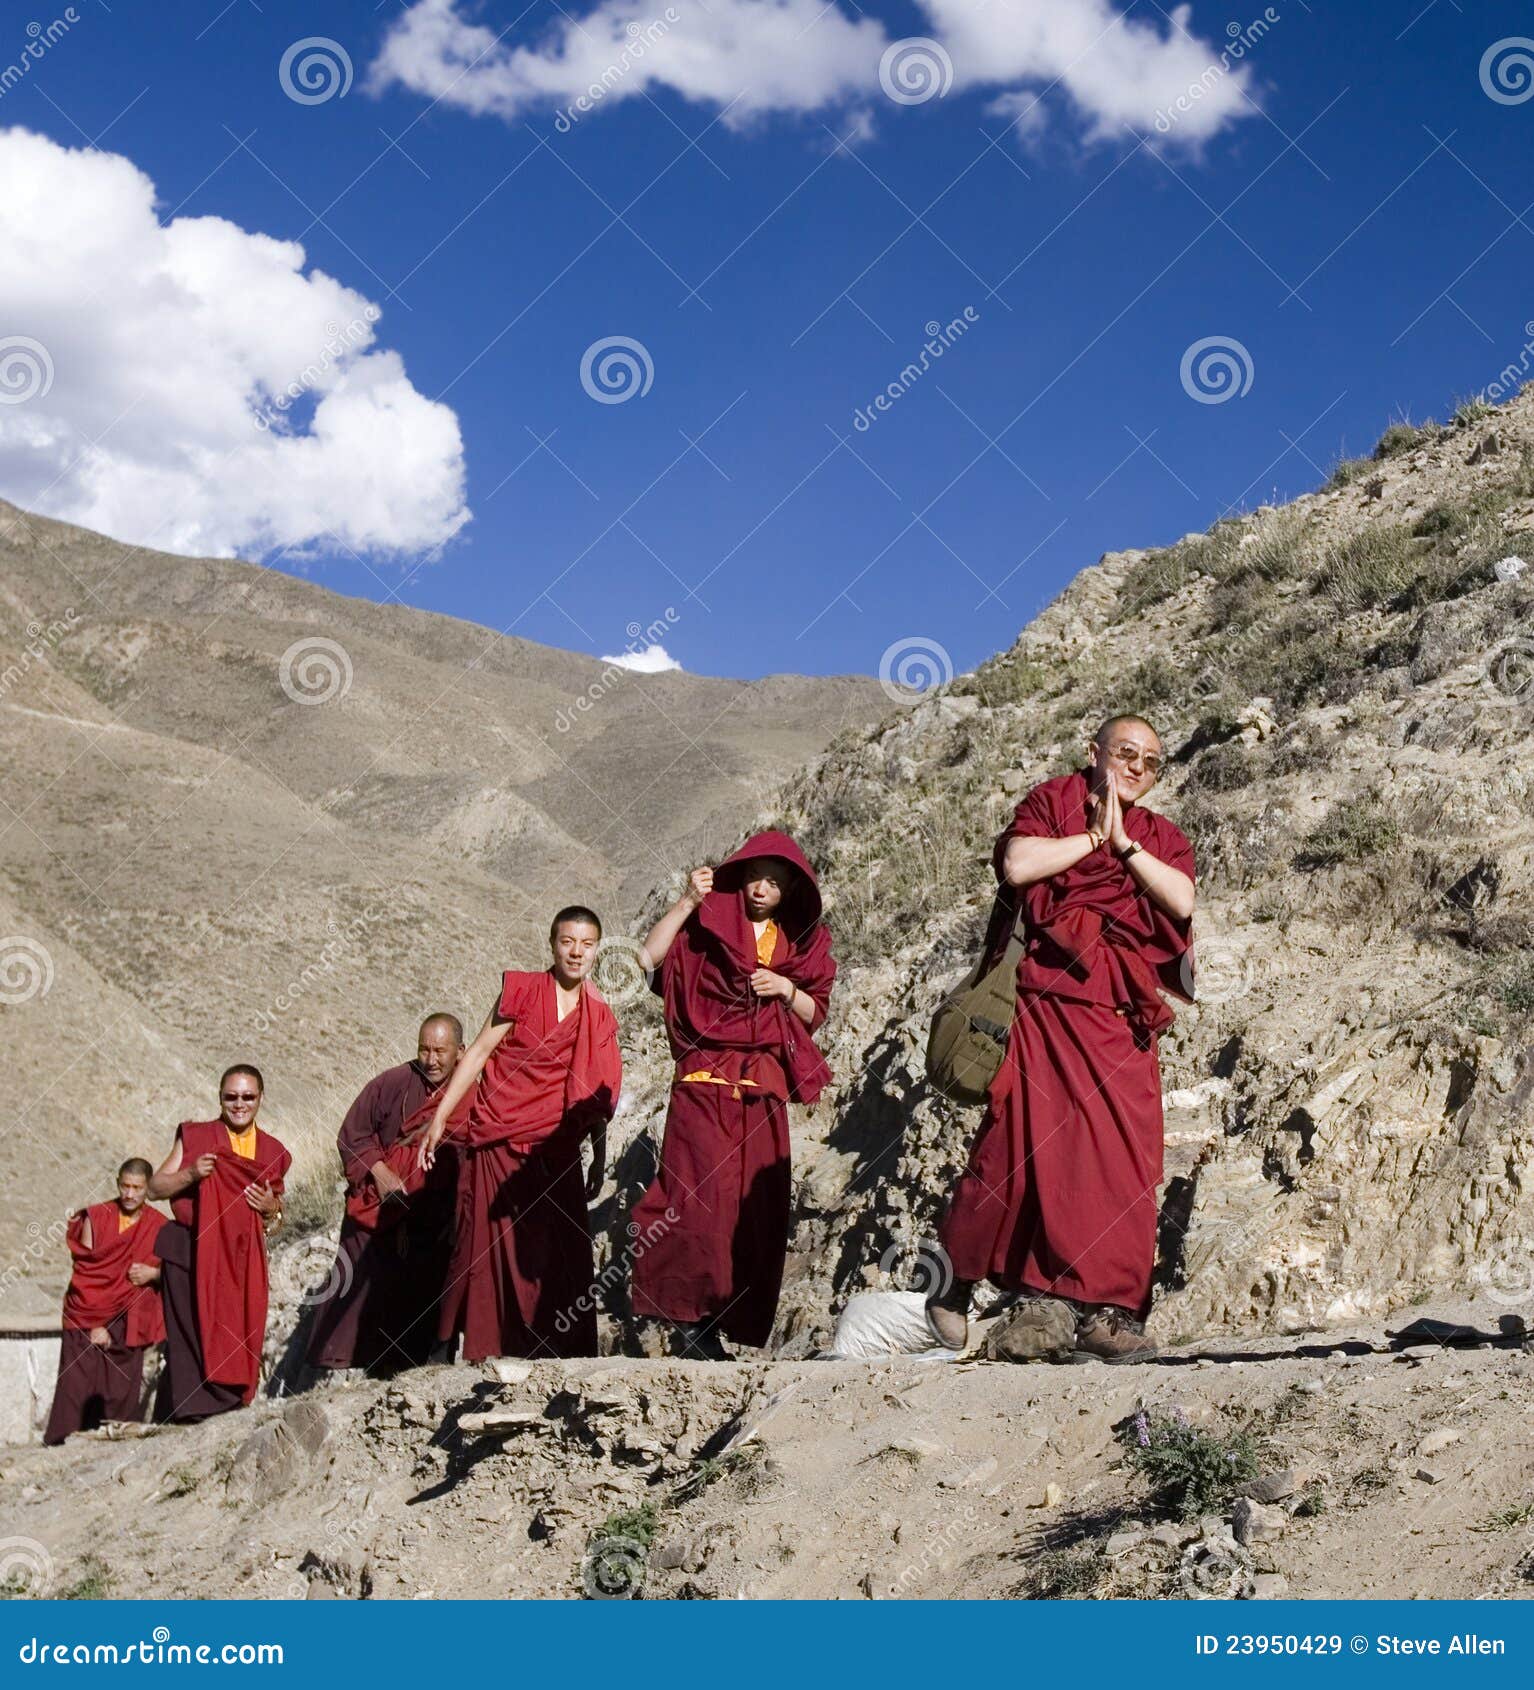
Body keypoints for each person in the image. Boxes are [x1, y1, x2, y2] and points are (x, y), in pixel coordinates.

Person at [926, 716, 1195, 1363]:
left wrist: (1124, 845)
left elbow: (1181, 901)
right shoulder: (1054, 802)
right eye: (1125, 753)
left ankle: (1105, 1313)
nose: (1136, 767)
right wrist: (1092, 837)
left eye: (1150, 760)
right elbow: (1019, 864)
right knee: (1018, 1147)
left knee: (1124, 1163)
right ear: (1093, 752)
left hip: (1121, 1021)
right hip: (1047, 1009)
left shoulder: (1159, 836)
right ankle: (966, 1277)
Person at [628, 831, 836, 1358]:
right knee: (694, 1204)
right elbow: (645, 961)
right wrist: (686, 902)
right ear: (739, 878)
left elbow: (816, 1013)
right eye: (755, 877)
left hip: (762, 1092)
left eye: (775, 882)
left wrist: (786, 989)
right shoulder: (705, 930)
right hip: (704, 1086)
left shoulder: (799, 945)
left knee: (753, 1209)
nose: (762, 889)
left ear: (790, 890)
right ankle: (689, 1322)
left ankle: (721, 1321)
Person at [418, 908, 621, 1361]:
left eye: (587, 944)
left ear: (597, 950)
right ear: (552, 944)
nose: (576, 952)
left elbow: (597, 1092)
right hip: (501, 1141)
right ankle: (485, 1349)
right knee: (488, 1252)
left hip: (558, 1151)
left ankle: (558, 1354)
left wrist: (599, 1155)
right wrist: (440, 1118)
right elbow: (478, 1053)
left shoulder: (598, 1015)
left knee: (565, 1253)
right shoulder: (522, 991)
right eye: (567, 941)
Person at [305, 1014, 465, 1374]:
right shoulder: (392, 1083)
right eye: (424, 1049)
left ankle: (431, 1365)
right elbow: (352, 1135)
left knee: (431, 1290)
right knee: (374, 1288)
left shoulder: (470, 1091)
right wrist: (379, 1172)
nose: (431, 1060)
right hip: (386, 1207)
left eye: (440, 1051)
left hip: (436, 1215)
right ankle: (373, 1366)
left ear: (461, 1051)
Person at [148, 1065, 290, 1421]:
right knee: (191, 1330)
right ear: (220, 1098)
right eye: (231, 1097)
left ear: (261, 1098)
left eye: (248, 1097)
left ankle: (228, 1401)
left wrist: (270, 1207)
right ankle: (195, 1410)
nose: (239, 1104)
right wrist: (191, 1173)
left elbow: (276, 1215)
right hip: (190, 1248)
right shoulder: (197, 1136)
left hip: (239, 1256)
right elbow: (155, 1188)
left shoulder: (272, 1150)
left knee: (236, 1326)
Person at [43, 1159, 166, 1444]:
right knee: (75, 1388)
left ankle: (114, 1445)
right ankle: (62, 1444)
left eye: (137, 1188)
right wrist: (96, 1323)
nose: (130, 1194)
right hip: (86, 1314)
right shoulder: (96, 1218)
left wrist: (153, 1274)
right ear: (117, 1183)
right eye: (125, 1186)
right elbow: (87, 1273)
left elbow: (177, 1272)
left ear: (148, 1188)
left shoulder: (158, 1225)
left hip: (129, 1318)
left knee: (120, 1390)